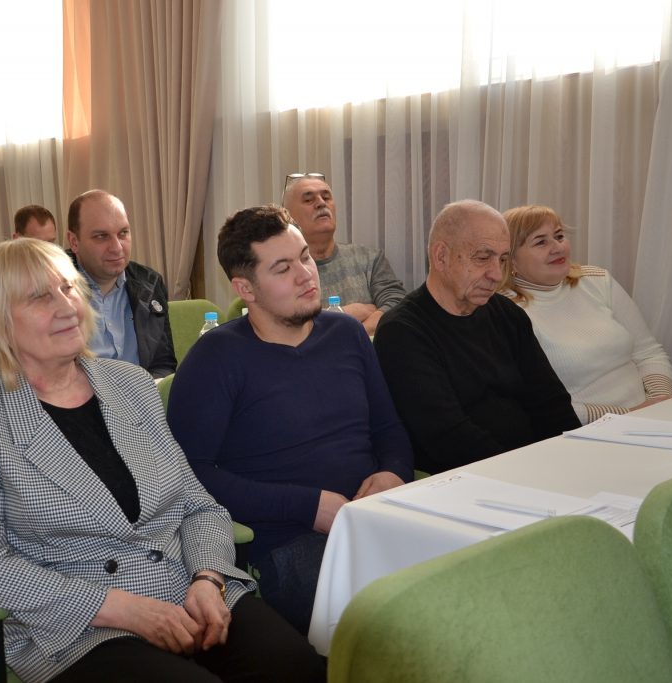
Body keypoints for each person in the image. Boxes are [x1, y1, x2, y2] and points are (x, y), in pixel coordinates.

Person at [0, 238, 324, 683]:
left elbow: (199, 507)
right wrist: (121, 608)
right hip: (79, 626)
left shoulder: (130, 383)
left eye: (68, 288)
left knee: (297, 667)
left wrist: (208, 578)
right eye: (40, 297)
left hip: (185, 588)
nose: (66, 307)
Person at [167, 204, 414, 635]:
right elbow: (190, 475)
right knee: (394, 625)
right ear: (245, 288)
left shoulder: (347, 334)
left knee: (466, 585)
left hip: (373, 515)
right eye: (283, 268)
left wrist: (393, 471)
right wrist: (308, 506)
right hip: (285, 541)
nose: (306, 274)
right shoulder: (215, 358)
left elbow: (388, 428)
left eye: (305, 257)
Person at [373, 200, 580, 475]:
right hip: (469, 479)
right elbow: (449, 438)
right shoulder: (403, 332)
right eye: (483, 258)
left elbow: (552, 403)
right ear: (441, 257)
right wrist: (529, 472)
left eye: (503, 259)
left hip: (536, 466)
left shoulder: (507, 314)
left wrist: (573, 458)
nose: (496, 274)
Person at [500, 204, 672, 424]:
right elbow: (535, 403)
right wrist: (627, 417)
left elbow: (649, 353)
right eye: (541, 242)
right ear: (511, 259)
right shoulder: (503, 310)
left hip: (651, 417)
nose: (557, 247)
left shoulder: (596, 280)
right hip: (583, 430)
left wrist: (660, 403)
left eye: (559, 236)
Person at [66, 189, 176, 378]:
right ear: (74, 242)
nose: (117, 247)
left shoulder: (150, 283)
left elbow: (163, 363)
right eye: (101, 236)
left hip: (142, 392)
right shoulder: (53, 290)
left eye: (123, 233)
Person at [281, 172, 405, 335]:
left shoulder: (369, 258)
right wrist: (347, 313)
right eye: (309, 200)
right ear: (288, 215)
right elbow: (286, 324)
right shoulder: (282, 271)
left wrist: (353, 334)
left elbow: (397, 305)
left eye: (326, 197)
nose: (321, 203)